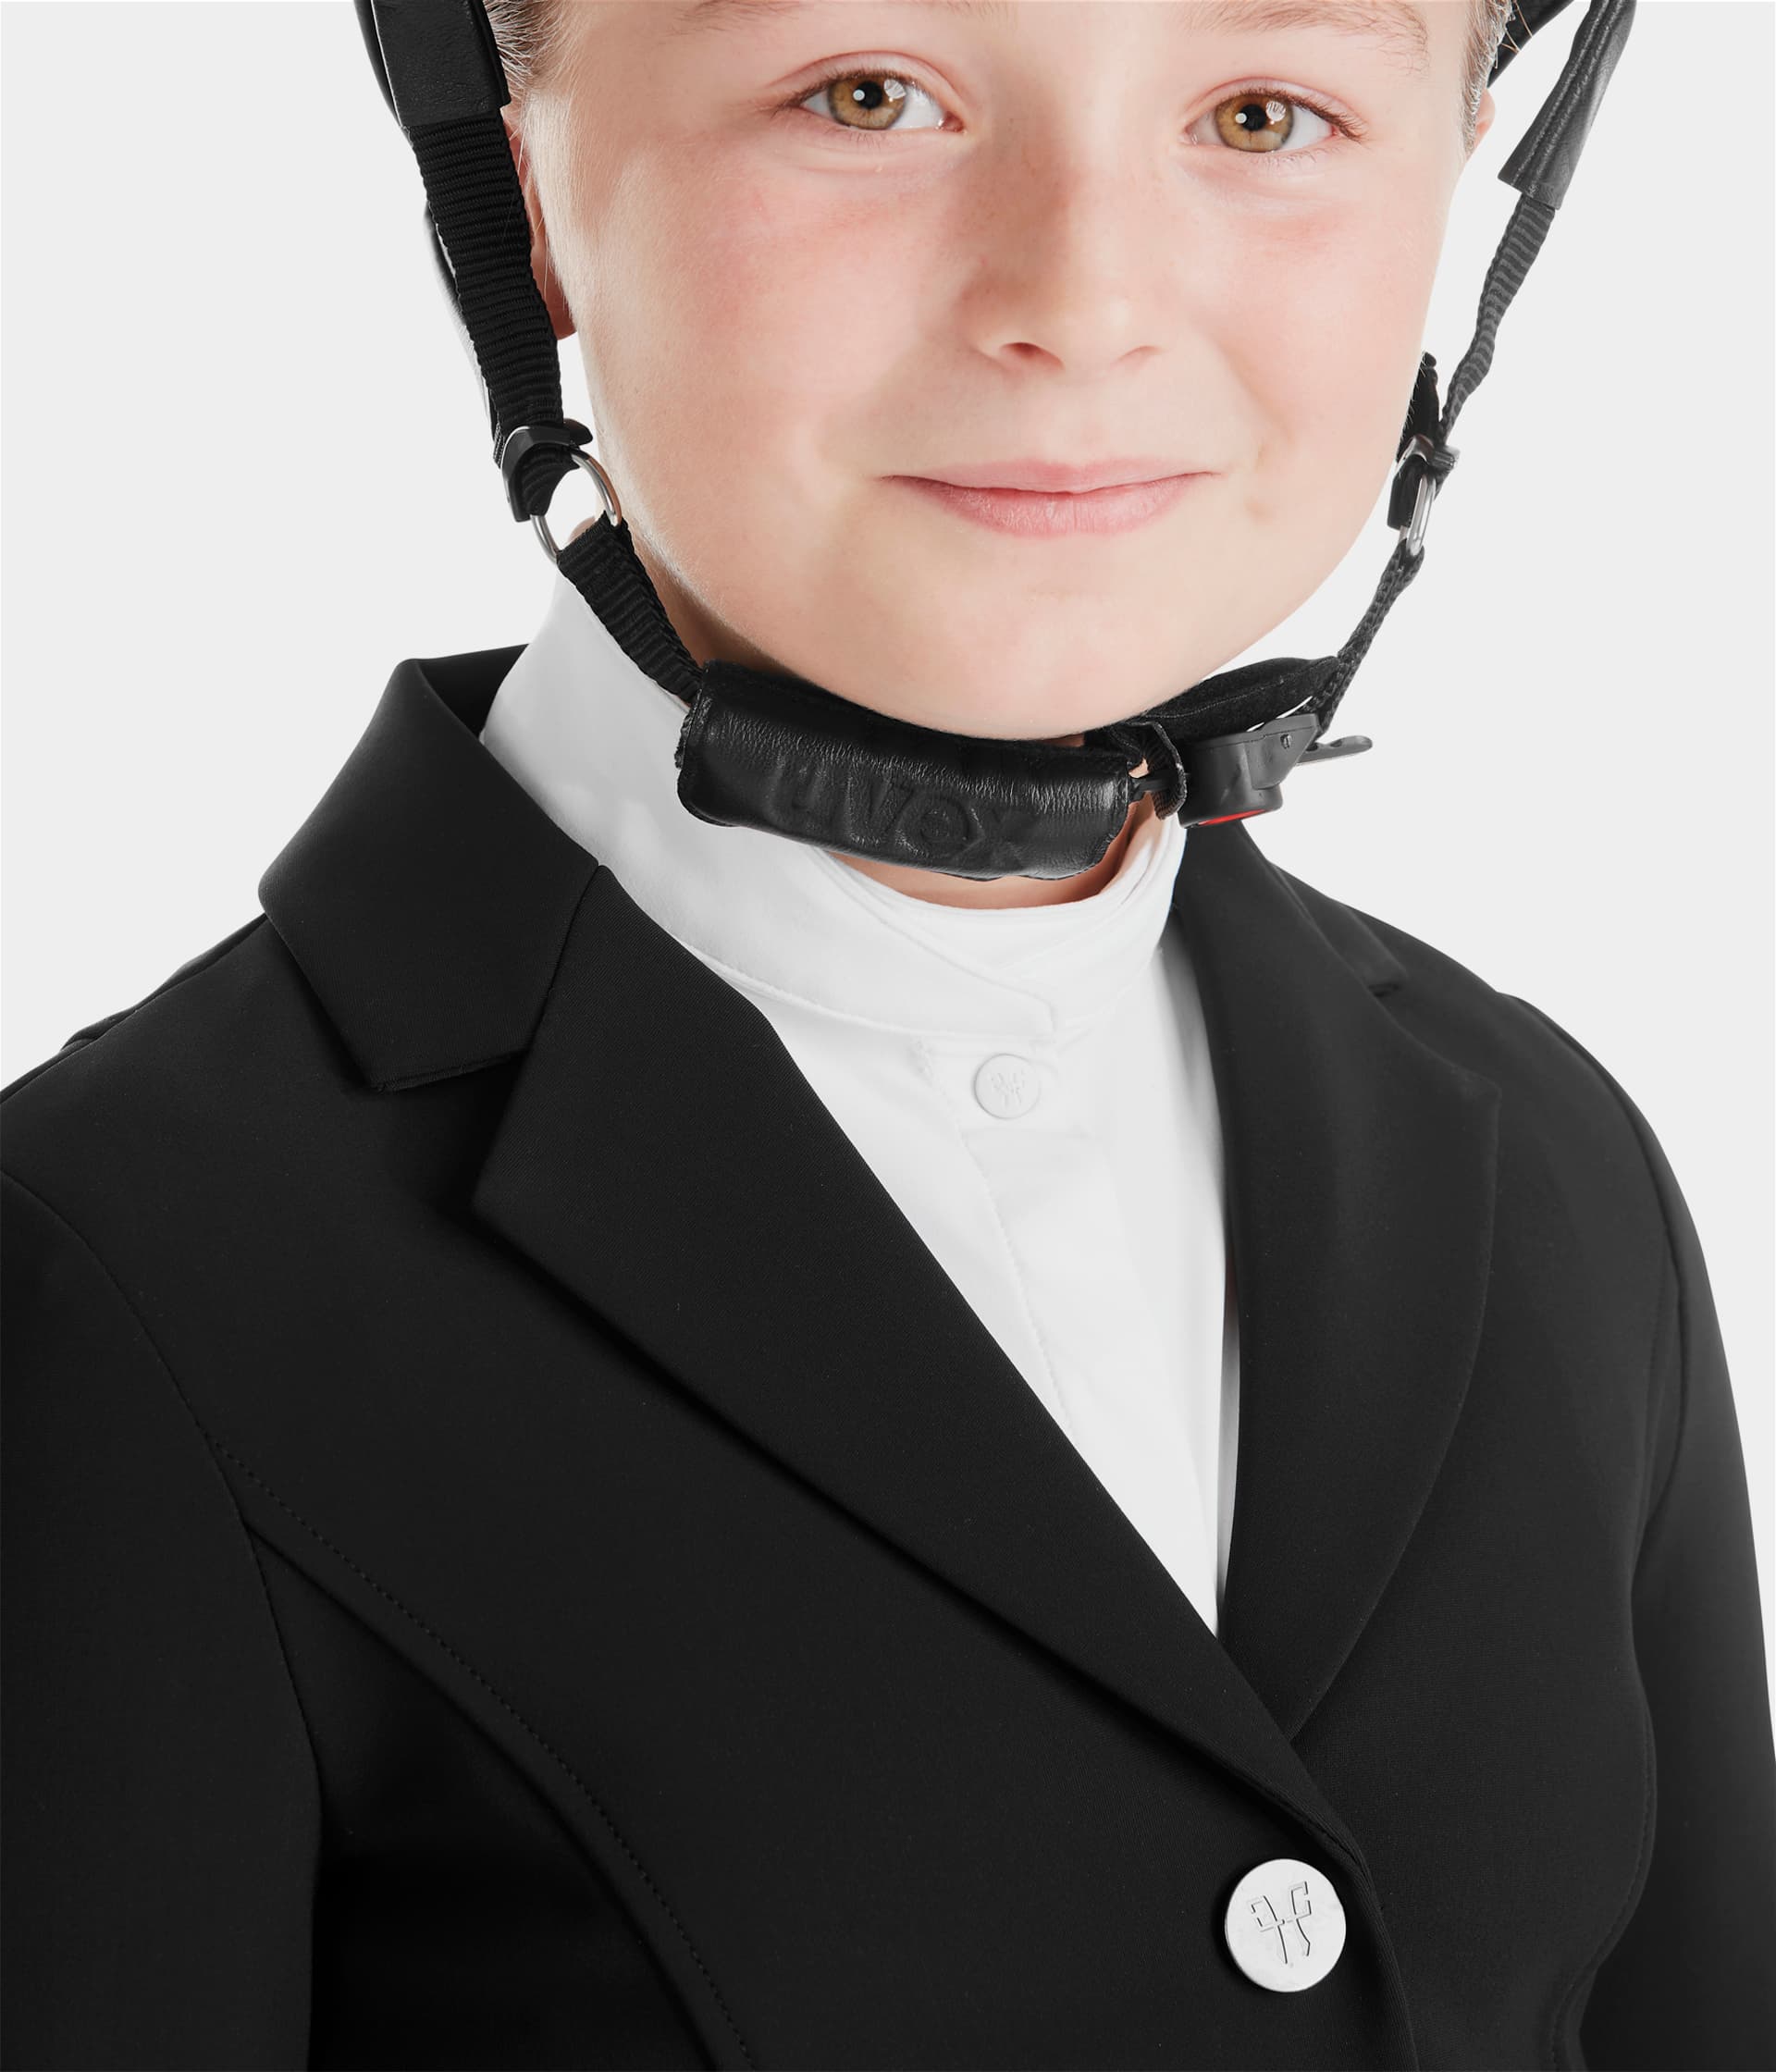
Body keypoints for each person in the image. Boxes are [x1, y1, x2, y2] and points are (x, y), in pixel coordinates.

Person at [3, 2, 1771, 2066]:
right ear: (516, 170)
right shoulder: (110, 1278)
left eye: (1265, 112)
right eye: (867, 96)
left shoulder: (1555, 1164)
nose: (1081, 305)